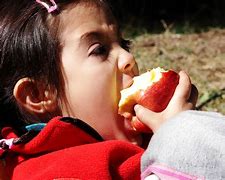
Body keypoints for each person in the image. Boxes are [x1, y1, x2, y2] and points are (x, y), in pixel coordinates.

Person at [0, 0, 197, 179]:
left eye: (123, 44)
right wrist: (176, 138)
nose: (129, 59)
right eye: (99, 50)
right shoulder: (53, 173)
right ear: (39, 94)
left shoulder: (149, 136)